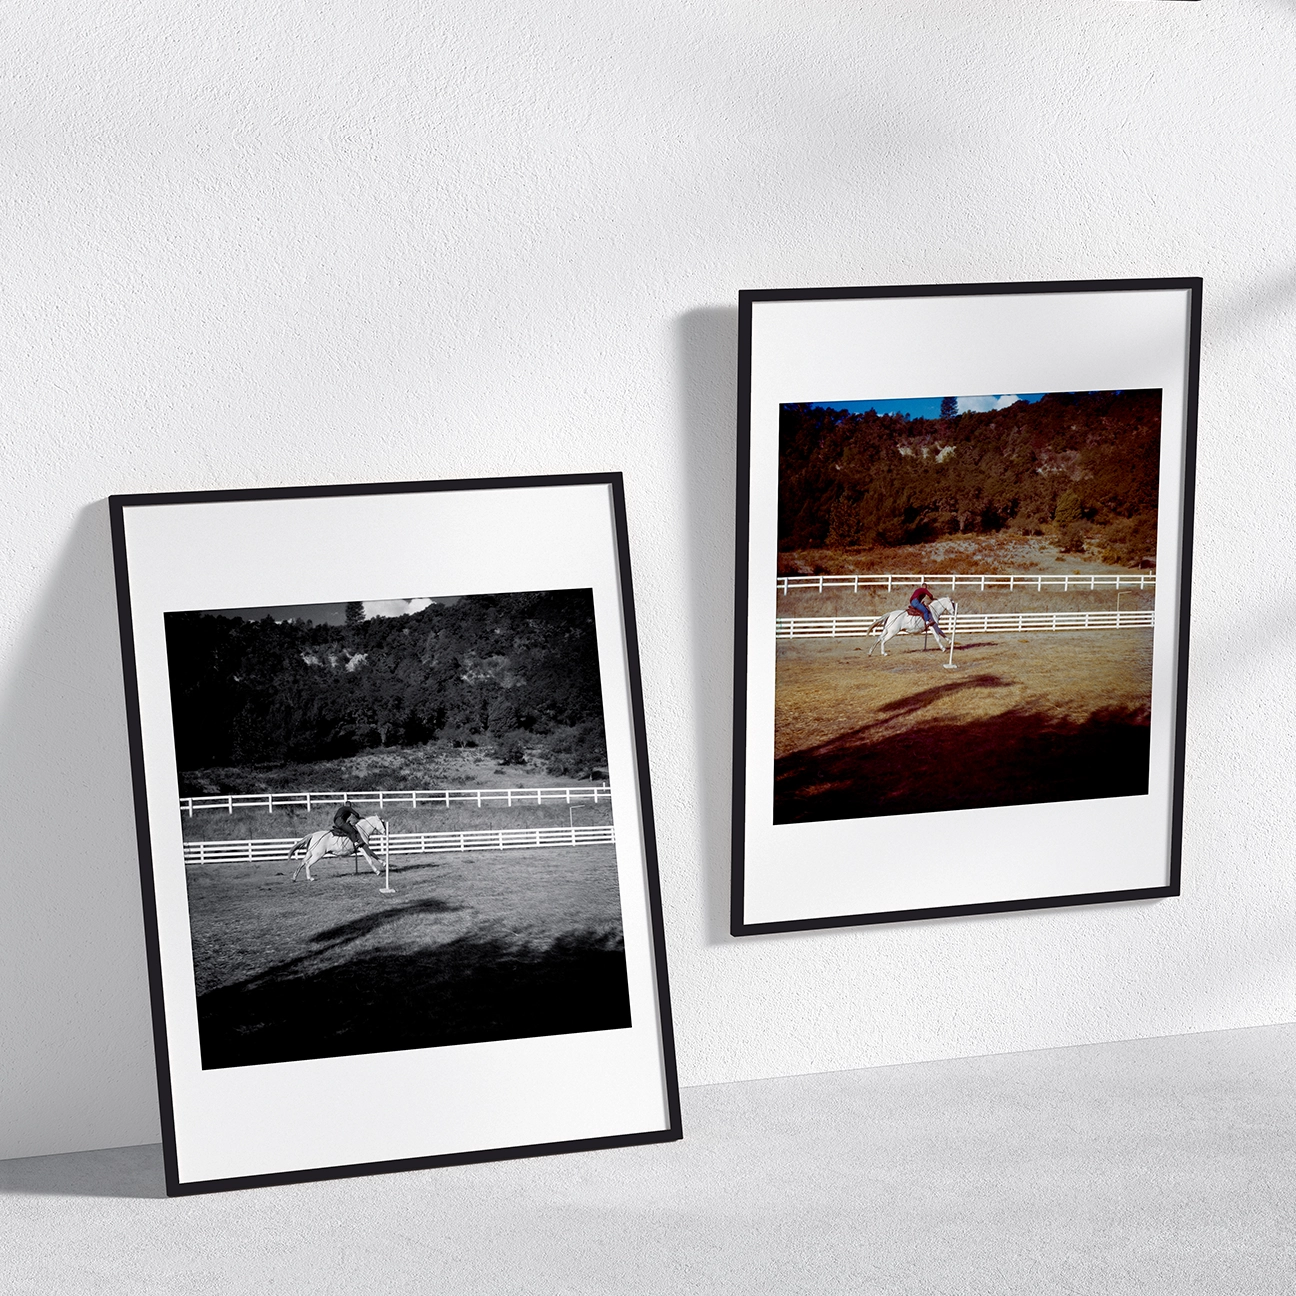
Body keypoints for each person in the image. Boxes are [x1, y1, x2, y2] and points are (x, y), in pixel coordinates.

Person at [331, 801, 382, 865]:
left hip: (337, 822)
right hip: (340, 821)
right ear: (349, 805)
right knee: (352, 831)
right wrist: (360, 818)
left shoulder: (341, 809)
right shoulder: (348, 808)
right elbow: (356, 814)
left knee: (348, 830)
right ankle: (355, 843)